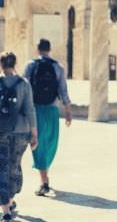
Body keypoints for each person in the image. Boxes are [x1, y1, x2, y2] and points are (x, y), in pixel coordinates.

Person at [23, 39, 72, 196]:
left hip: (35, 109)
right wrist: (68, 110)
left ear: (37, 49)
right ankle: (44, 180)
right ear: (50, 49)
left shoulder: (30, 65)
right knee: (50, 143)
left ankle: (44, 179)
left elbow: (25, 88)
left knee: (38, 144)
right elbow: (63, 90)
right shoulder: (58, 67)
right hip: (52, 110)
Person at [0, 52, 38, 221]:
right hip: (21, 132)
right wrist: (34, 133)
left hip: (1, 132)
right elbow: (30, 109)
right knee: (14, 166)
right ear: (15, 64)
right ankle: (11, 199)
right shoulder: (24, 84)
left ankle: (6, 209)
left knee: (2, 168)